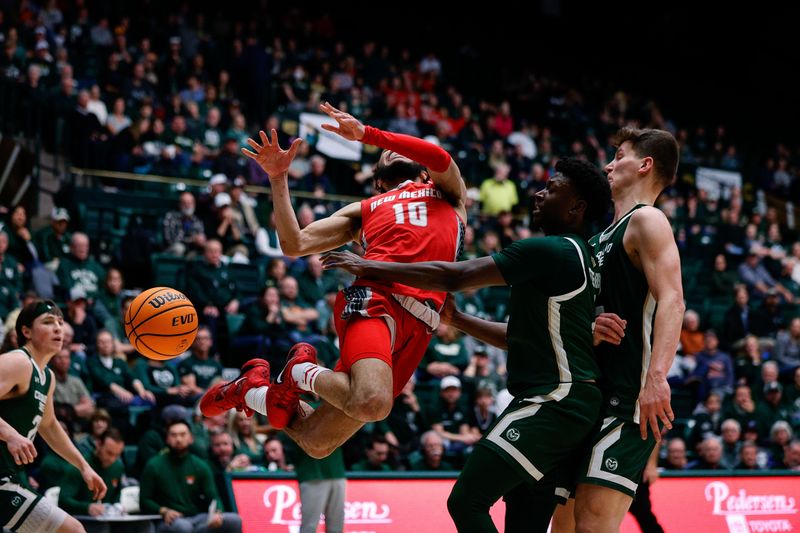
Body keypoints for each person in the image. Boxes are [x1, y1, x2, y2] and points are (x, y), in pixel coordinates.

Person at [321, 157, 612, 532]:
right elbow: (517, 339)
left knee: (466, 501)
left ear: (577, 206)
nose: (539, 193)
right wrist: (458, 320)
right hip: (570, 404)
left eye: (552, 189)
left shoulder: (549, 250)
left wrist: (370, 266)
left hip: (555, 402)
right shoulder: (581, 255)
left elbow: (453, 275)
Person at [201, 101, 468, 460]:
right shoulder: (367, 208)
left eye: (396, 149)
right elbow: (294, 243)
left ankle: (252, 391)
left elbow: (437, 155)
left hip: (421, 326)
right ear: (377, 181)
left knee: (316, 441)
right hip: (377, 302)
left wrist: (369, 135)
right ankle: (299, 371)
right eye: (383, 153)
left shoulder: (449, 195)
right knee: (373, 402)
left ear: (424, 175)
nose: (390, 151)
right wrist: (278, 178)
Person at [549, 127, 683, 533]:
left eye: (619, 155)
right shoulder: (599, 237)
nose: (608, 164)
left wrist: (657, 376)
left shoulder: (647, 220)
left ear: (644, 165)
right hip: (589, 394)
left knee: (593, 523)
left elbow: (673, 300)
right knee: (564, 525)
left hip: (628, 398)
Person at [0, 299, 106, 532]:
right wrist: (10, 435)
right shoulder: (18, 361)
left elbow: (49, 426)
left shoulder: (47, 377)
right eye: (48, 322)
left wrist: (84, 466)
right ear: (26, 331)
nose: (58, 328)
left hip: (10, 476)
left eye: (60, 322)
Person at [139, 420, 242, 533]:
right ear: (167, 439)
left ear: (191, 438)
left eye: (183, 434)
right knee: (184, 527)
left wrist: (217, 512)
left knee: (234, 520)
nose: (178, 439)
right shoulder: (154, 465)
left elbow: (213, 496)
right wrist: (163, 511)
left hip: (197, 518)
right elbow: (144, 500)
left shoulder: (200, 465)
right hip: (168, 519)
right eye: (173, 435)